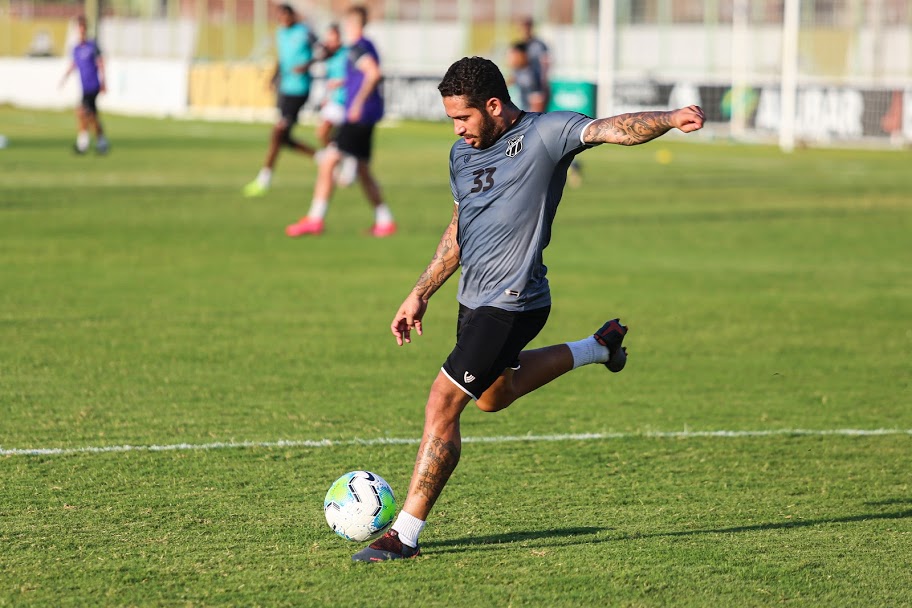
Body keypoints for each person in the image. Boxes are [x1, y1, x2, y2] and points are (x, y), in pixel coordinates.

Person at [352, 57, 704, 562]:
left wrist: (670, 118)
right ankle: (598, 348)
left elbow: (613, 130)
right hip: (473, 300)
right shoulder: (460, 154)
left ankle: (403, 535)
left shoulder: (546, 133)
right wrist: (421, 291)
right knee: (495, 396)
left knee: (441, 403)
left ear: (493, 106)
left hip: (513, 303)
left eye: (464, 118)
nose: (458, 129)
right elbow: (459, 232)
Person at [285, 5, 395, 238]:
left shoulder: (356, 47)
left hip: (359, 115)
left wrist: (356, 103)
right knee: (363, 170)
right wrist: (343, 84)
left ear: (352, 25)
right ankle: (385, 220)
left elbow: (373, 73)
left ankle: (315, 219)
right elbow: (364, 74)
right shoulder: (369, 45)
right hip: (368, 114)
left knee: (328, 162)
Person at [243, 3, 317, 197]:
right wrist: (273, 76)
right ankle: (322, 158)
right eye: (279, 17)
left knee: (278, 131)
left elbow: (322, 51)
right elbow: (283, 59)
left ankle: (264, 178)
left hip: (300, 89)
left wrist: (307, 65)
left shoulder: (305, 32)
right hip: (284, 89)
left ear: (292, 16)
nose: (283, 20)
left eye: (285, 16)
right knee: (282, 137)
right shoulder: (280, 34)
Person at [60, 16, 108, 155]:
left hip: (93, 85)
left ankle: (83, 144)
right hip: (84, 86)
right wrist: (65, 77)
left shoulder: (92, 45)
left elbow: (101, 63)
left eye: (83, 28)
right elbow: (74, 64)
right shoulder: (75, 48)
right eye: (79, 29)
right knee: (91, 116)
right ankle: (101, 143)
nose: (81, 31)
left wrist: (104, 82)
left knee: (81, 112)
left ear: (85, 30)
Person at [316, 23, 347, 149]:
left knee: (340, 135)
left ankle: (336, 157)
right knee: (322, 133)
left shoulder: (348, 53)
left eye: (333, 36)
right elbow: (329, 80)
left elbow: (356, 76)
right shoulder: (329, 56)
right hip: (335, 100)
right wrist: (327, 97)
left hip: (346, 99)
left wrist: (341, 81)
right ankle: (335, 156)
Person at [507, 41, 546, 113]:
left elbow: (538, 105)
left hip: (526, 118)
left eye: (514, 55)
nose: (511, 59)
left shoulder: (531, 76)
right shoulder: (517, 71)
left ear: (523, 55)